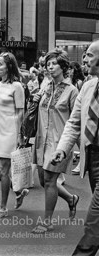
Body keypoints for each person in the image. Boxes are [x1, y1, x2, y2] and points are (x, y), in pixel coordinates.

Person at [51, 39, 99, 255]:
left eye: (89, 54)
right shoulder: (88, 87)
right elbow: (74, 123)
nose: (84, 59)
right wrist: (62, 149)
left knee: (93, 221)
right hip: (93, 159)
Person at [31, 49, 79, 234]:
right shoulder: (45, 86)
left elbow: (76, 120)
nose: (50, 67)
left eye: (53, 64)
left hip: (59, 142)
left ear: (63, 66)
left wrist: (76, 147)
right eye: (47, 64)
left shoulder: (72, 90)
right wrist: (35, 99)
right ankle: (70, 198)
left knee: (50, 180)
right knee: (43, 180)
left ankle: (47, 221)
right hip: (42, 139)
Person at [0, 52, 28, 219]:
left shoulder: (17, 86)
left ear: (9, 66)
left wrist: (20, 135)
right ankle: (19, 191)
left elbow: (21, 112)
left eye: (0, 64)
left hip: (11, 130)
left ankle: (2, 208)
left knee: (3, 170)